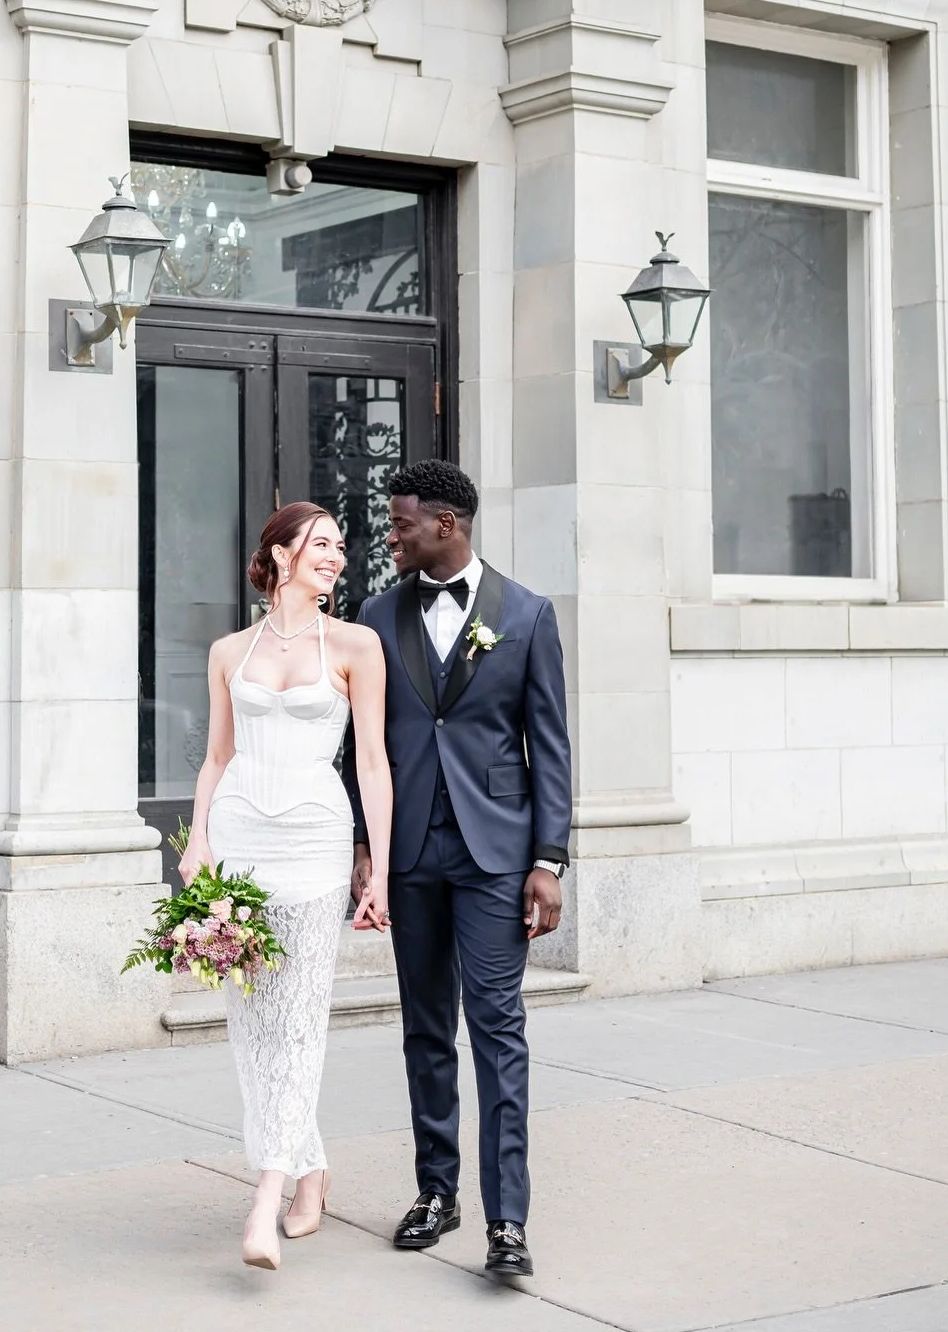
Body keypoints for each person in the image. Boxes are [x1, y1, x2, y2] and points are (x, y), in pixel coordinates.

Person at [347, 459, 572, 1281]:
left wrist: (548, 861)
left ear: (447, 525)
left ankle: (506, 1220)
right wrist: (366, 846)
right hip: (410, 853)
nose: (391, 535)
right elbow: (358, 743)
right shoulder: (375, 613)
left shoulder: (527, 614)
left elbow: (548, 746)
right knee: (423, 1029)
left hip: (495, 858)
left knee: (497, 1028)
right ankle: (435, 1193)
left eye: (402, 523)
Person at [181, 502, 392, 1271]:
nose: (336, 556)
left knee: (300, 1020)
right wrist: (198, 840)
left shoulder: (356, 645)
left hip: (313, 843)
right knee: (254, 1025)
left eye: (341, 546)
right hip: (239, 841)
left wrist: (384, 872)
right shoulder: (228, 650)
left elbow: (372, 763)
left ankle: (265, 1200)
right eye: (321, 544)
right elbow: (215, 757)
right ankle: (311, 1175)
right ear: (278, 555)